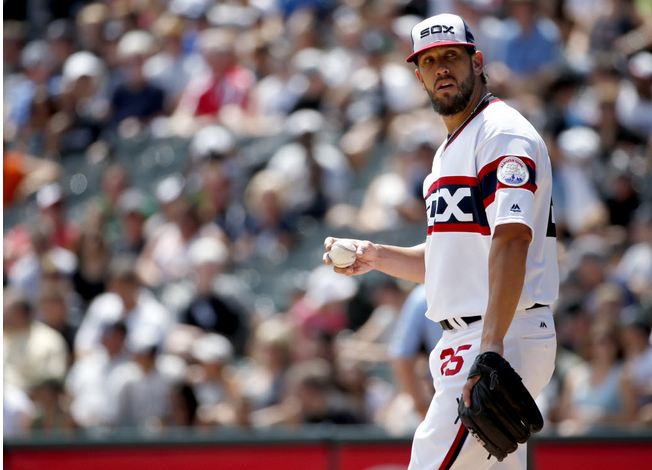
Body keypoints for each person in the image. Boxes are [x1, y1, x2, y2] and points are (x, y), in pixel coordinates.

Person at [323, 13, 558, 470]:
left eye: (451, 56)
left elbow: (511, 239)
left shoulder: (500, 133)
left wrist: (490, 348)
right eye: (429, 61)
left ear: (478, 61)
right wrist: (377, 255)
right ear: (418, 75)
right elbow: (450, 259)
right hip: (473, 336)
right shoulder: (450, 148)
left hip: (497, 334)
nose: (441, 68)